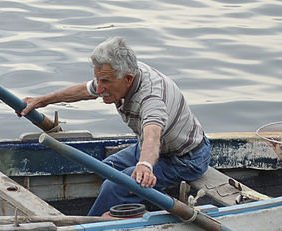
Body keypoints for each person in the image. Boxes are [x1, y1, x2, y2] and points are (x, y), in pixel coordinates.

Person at [20, 36, 210, 216]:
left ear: (128, 79)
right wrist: (42, 101)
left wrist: (144, 166)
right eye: (99, 80)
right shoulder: (119, 74)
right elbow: (84, 90)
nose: (100, 89)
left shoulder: (152, 98)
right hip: (152, 146)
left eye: (105, 82)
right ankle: (137, 208)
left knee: (116, 185)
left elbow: (152, 134)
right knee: (106, 168)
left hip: (185, 159)